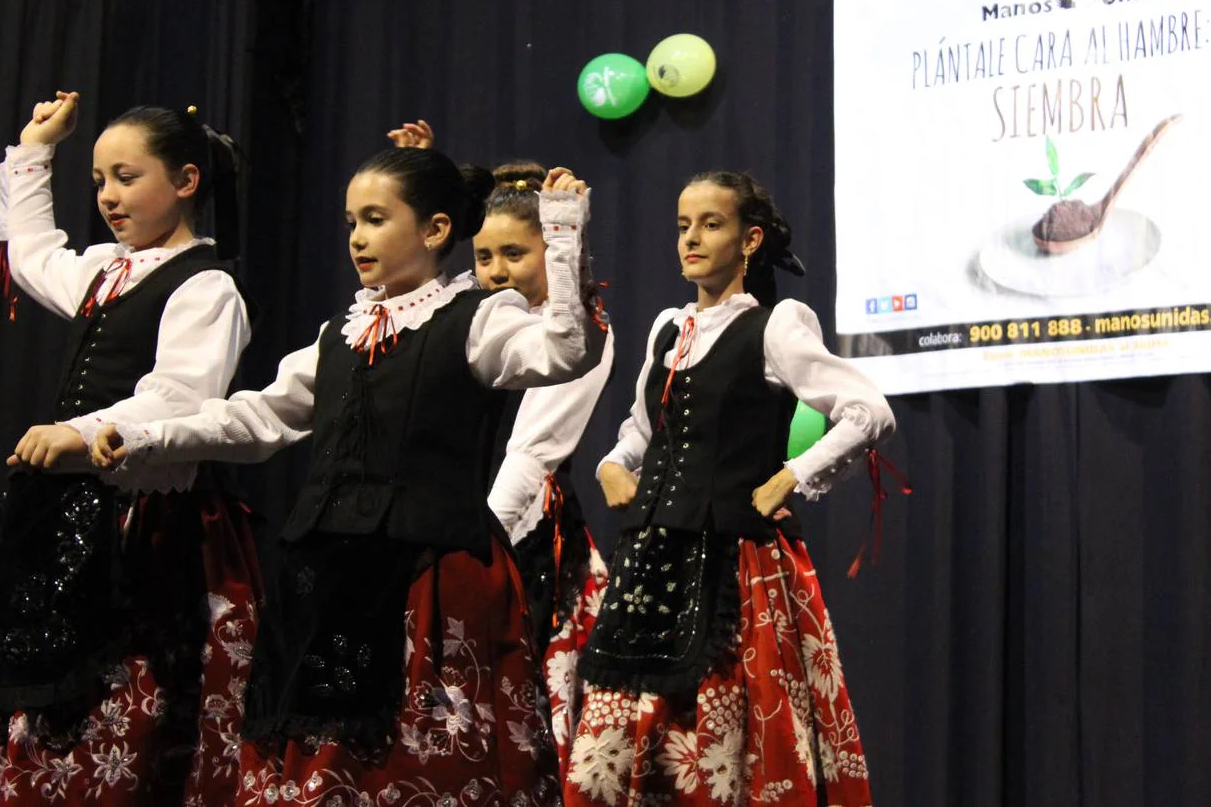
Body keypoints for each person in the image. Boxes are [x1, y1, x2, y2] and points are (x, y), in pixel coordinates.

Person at [92, 148, 606, 805]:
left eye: (374, 219)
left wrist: (563, 234)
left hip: (427, 577)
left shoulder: (477, 319)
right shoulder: (341, 332)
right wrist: (145, 435)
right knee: (318, 754)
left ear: (436, 229)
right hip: (326, 577)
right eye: (349, 222)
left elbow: (565, 349)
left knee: (419, 758)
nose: (358, 237)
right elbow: (256, 419)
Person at [566, 171, 895, 806]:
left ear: (749, 240)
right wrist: (614, 461)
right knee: (617, 740)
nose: (691, 238)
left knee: (724, 735)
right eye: (683, 226)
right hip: (653, 561)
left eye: (710, 224)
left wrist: (793, 474)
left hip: (734, 564)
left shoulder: (775, 326)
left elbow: (867, 409)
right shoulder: (670, 327)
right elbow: (643, 424)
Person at [0, 92, 259, 805]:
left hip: (148, 522)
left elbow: (179, 397)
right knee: (44, 704)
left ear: (187, 182)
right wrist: (38, 147)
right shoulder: (106, 270)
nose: (107, 196)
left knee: (127, 710)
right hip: (72, 511)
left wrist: (78, 432)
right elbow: (31, 254)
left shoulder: (206, 286)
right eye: (99, 179)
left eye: (126, 177)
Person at [474, 160, 614, 779]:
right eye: (483, 256)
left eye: (513, 253)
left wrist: (479, 548)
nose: (496, 271)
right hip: (453, 525)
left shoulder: (581, 333)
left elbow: (530, 454)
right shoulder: (476, 326)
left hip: (524, 542)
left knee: (521, 710)